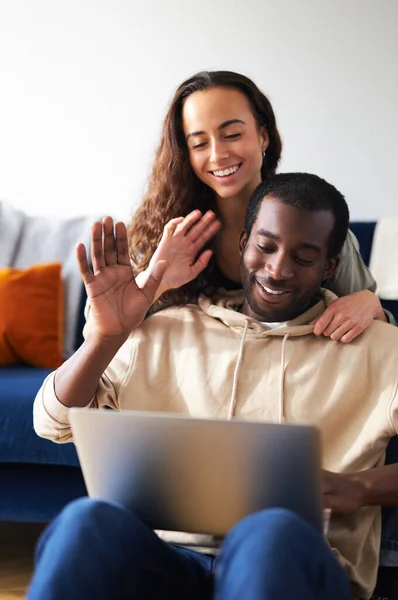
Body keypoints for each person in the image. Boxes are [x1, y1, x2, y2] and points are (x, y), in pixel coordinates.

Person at [30, 173, 398, 600]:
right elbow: (49, 423)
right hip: (171, 560)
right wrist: (103, 338)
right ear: (243, 243)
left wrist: (360, 488)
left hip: (295, 562)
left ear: (329, 267)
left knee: (272, 529)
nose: (278, 269)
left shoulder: (379, 347)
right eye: (265, 246)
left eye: (304, 257)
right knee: (84, 522)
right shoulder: (166, 330)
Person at [127, 70, 395, 339]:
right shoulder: (164, 233)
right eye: (199, 144)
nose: (218, 155)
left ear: (263, 136)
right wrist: (155, 281)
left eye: (232, 134)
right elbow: (101, 328)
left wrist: (371, 306)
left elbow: (378, 333)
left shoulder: (316, 225)